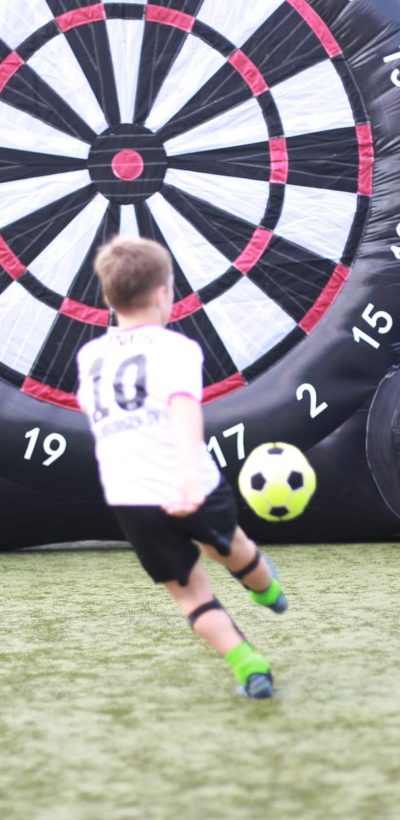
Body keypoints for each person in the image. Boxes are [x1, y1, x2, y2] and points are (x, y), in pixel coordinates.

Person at [76, 236, 288, 699]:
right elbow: (184, 410)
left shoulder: (89, 358)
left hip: (130, 496)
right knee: (230, 545)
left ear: (109, 299)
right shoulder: (177, 348)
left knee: (191, 595)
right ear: (162, 293)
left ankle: (248, 664)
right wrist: (190, 476)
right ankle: (266, 589)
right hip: (187, 480)